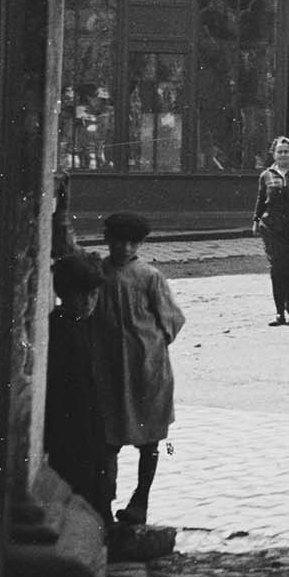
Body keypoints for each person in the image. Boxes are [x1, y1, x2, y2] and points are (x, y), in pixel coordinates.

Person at [91, 209, 185, 544]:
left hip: (146, 366)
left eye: (132, 242)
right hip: (108, 366)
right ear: (108, 240)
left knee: (150, 439)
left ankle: (140, 500)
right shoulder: (97, 273)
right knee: (107, 439)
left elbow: (172, 319)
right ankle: (103, 503)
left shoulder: (149, 276)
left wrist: (150, 345)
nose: (124, 247)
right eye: (119, 240)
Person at [42, 178, 114, 522]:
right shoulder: (58, 330)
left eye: (93, 295)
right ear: (63, 294)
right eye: (80, 295)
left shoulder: (91, 327)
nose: (87, 302)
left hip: (92, 423)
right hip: (68, 427)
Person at [253, 135, 289, 323]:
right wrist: (256, 220)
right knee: (277, 268)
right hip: (272, 228)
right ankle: (280, 312)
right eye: (279, 151)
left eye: (286, 151)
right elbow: (261, 200)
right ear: (273, 154)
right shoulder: (266, 175)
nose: (283, 154)